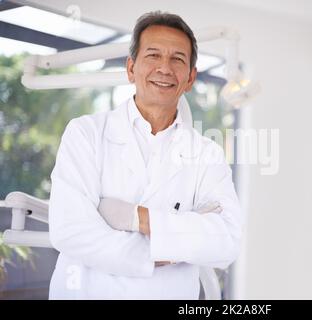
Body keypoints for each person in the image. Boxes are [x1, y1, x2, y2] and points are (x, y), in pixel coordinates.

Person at [48, 11, 244, 299]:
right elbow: (70, 231)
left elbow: (226, 241)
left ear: (190, 78)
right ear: (131, 69)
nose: (165, 68)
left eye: (178, 59)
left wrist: (133, 218)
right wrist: (170, 248)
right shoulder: (85, 133)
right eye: (153, 55)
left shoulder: (207, 154)